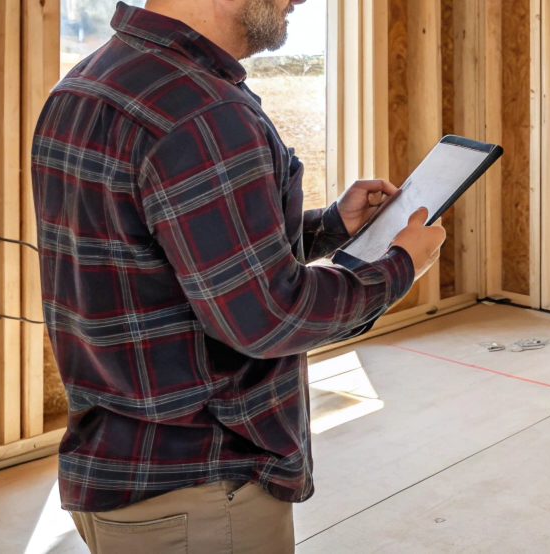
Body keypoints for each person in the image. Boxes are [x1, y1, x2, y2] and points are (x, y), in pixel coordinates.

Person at [30, 0, 444, 551]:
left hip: (120, 467)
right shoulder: (202, 112)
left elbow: (178, 252)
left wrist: (330, 227)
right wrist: (399, 267)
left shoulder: (90, 82)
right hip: (202, 484)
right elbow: (270, 316)